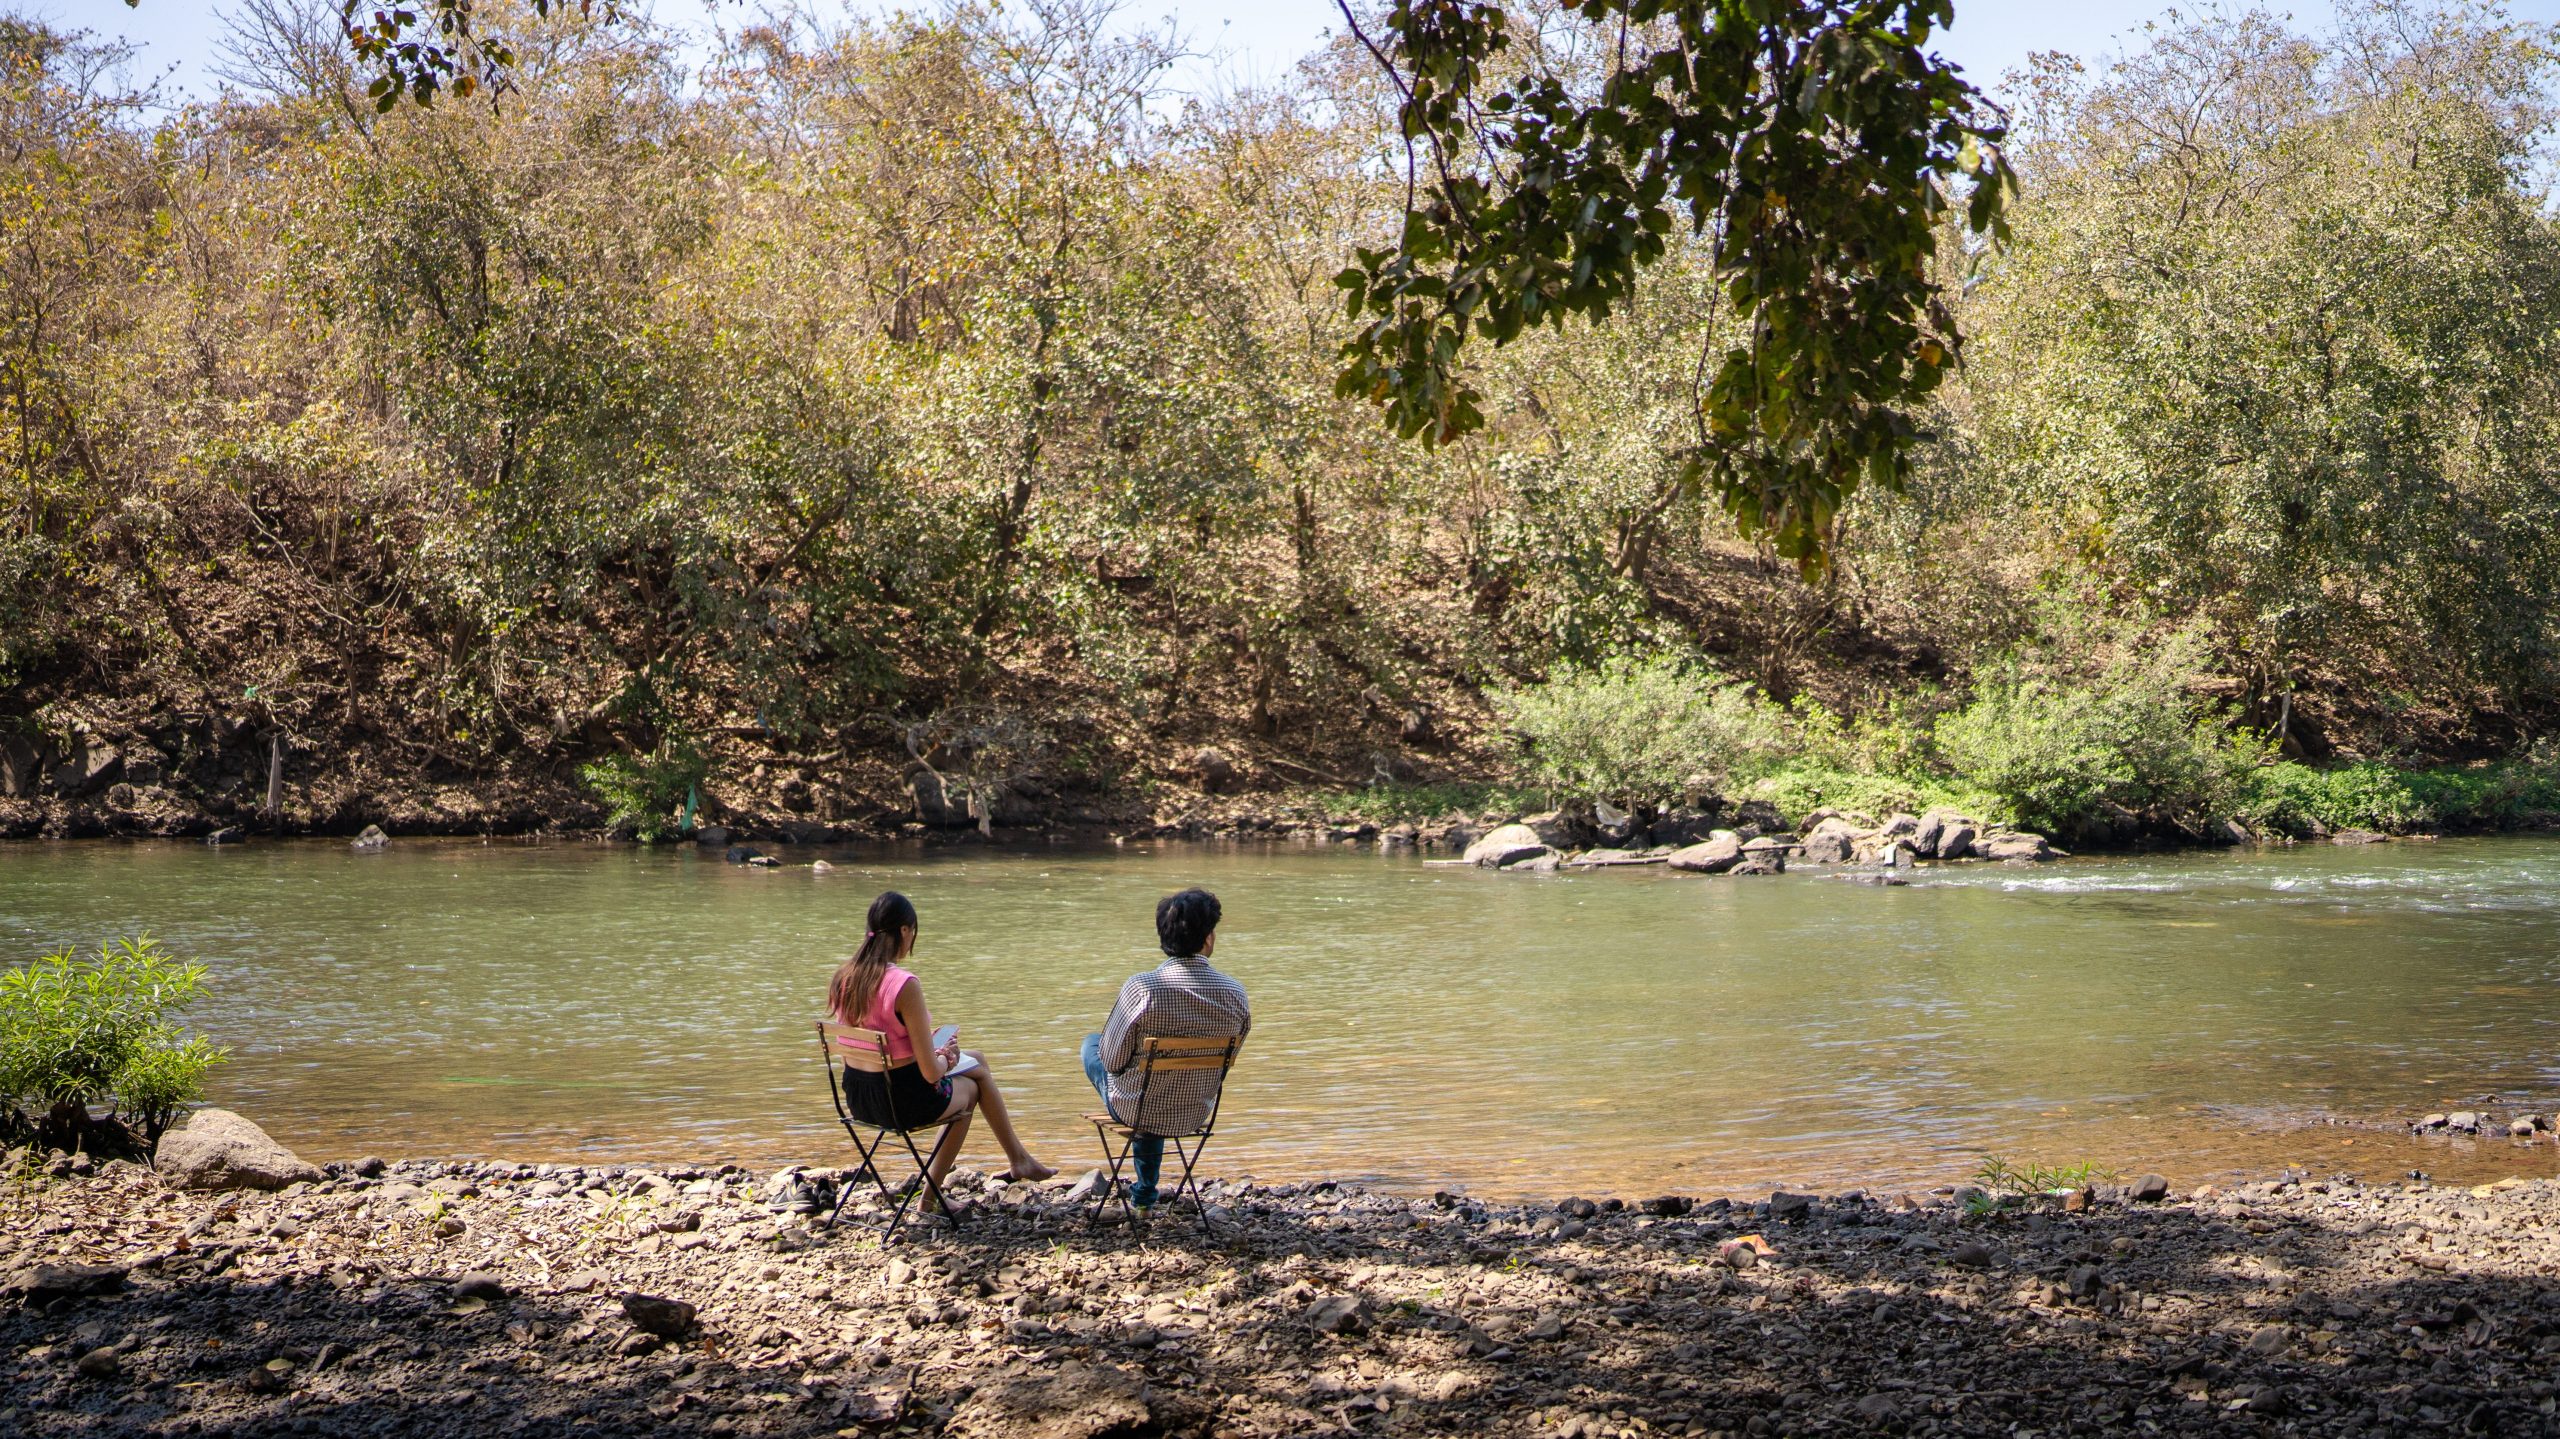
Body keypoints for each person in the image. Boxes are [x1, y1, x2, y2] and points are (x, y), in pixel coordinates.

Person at [827, 891, 1054, 1203]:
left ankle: (1018, 1158)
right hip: (900, 1103)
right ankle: (931, 1197)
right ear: (904, 931)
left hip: (860, 1098)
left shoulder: (844, 977)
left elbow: (881, 1037)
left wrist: (926, 1046)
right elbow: (932, 1074)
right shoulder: (903, 984)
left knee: (979, 1061)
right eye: (912, 933)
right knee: (971, 1091)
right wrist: (947, 1056)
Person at [1081, 888, 1251, 1209]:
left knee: (1092, 1046)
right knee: (1155, 1084)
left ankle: (1145, 1194)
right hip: (1194, 1113)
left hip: (1135, 1110)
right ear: (1208, 938)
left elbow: (1114, 1062)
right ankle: (1144, 1195)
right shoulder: (1235, 993)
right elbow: (1225, 1066)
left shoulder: (1142, 988)